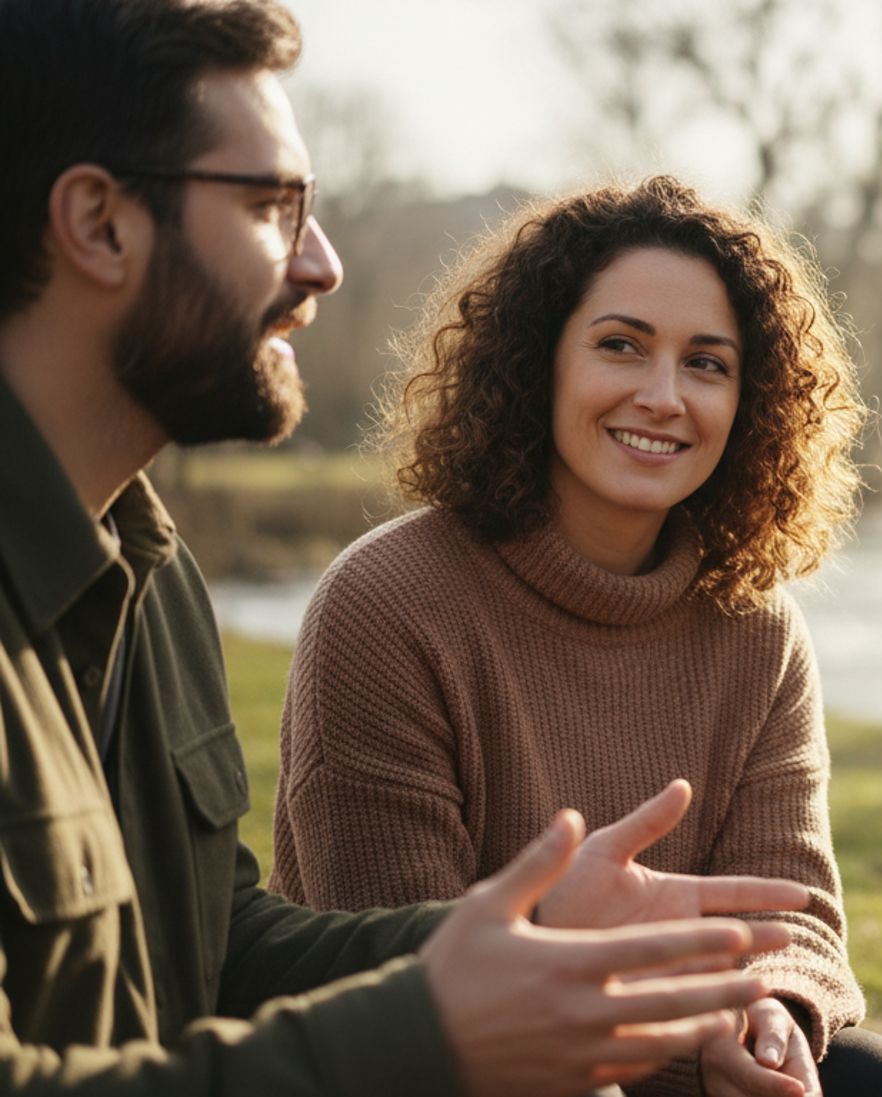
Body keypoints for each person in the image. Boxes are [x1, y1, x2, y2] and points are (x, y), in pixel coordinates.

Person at [0, 1, 818, 1093]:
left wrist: (527, 935)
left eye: (708, 363)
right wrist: (438, 1029)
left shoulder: (155, 577)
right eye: (269, 208)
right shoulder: (387, 595)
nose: (323, 265)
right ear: (101, 222)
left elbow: (221, 951)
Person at [264, 176, 882, 1097]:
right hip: (450, 1062)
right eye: (622, 346)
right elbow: (393, 964)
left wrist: (768, 1010)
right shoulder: (386, 604)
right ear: (541, 363)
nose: (663, 395)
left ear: (751, 403)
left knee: (863, 1078)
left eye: (707, 363)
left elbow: (792, 910)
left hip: (682, 1057)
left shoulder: (758, 628)